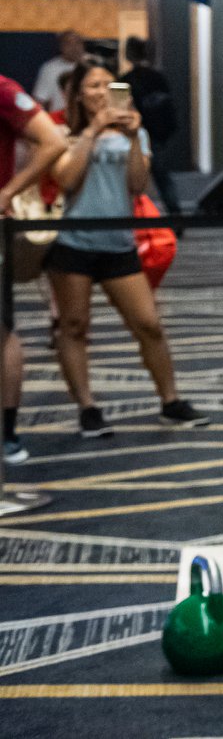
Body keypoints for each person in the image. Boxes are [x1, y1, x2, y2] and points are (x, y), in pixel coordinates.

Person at [48, 58, 208, 437]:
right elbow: (67, 179)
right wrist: (92, 133)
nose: (101, 93)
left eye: (108, 85)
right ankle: (87, 407)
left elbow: (137, 184)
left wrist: (134, 137)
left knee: (149, 324)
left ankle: (170, 401)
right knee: (73, 326)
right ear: (77, 93)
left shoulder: (134, 131)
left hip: (119, 243)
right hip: (72, 243)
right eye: (92, 86)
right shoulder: (60, 130)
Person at [1, 76, 67, 463]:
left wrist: (8, 191)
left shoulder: (3, 90)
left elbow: (53, 141)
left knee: (2, 328)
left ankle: (7, 434)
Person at [120, 36, 184, 219]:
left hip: (135, 135)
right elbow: (169, 107)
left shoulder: (125, 80)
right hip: (156, 135)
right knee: (162, 178)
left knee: (134, 179)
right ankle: (176, 215)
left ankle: (134, 219)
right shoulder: (158, 78)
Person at [32, 29, 83, 114]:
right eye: (69, 43)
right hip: (58, 120)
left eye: (77, 42)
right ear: (61, 46)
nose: (74, 47)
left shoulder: (92, 65)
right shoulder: (49, 68)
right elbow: (40, 100)